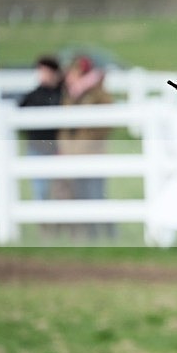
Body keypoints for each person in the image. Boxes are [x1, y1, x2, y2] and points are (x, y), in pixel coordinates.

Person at [55, 55, 114, 238]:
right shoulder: (71, 95)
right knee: (77, 195)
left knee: (95, 195)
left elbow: (103, 125)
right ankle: (85, 234)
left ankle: (104, 233)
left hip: (91, 153)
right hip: (72, 154)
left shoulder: (97, 94)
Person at [18, 55, 63, 202]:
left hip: (57, 148)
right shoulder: (33, 96)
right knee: (41, 190)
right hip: (37, 147)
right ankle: (44, 223)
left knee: (60, 190)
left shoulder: (61, 95)